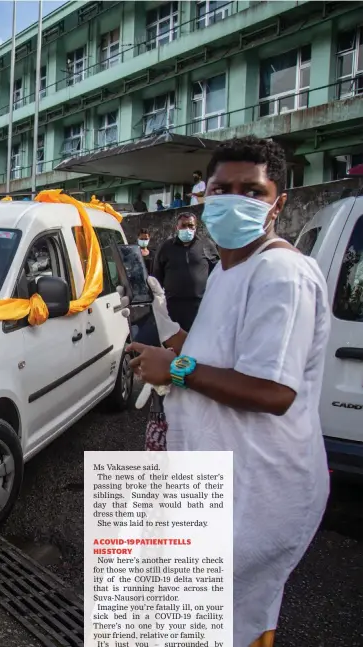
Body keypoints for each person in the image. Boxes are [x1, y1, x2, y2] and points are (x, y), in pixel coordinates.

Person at [128, 136, 331, 647]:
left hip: (259, 490)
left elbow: (272, 391)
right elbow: (215, 359)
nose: (233, 199)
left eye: (252, 191)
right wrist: (160, 329)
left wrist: (174, 369)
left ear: (278, 203)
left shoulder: (280, 273)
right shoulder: (227, 268)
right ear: (203, 195)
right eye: (221, 189)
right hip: (221, 480)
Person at [152, 212, 219, 331]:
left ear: (195, 227)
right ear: (177, 227)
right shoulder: (166, 247)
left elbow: (217, 272)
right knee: (176, 342)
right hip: (173, 306)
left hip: (200, 306)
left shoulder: (206, 245)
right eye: (183, 225)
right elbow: (157, 275)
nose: (187, 229)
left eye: (190, 225)